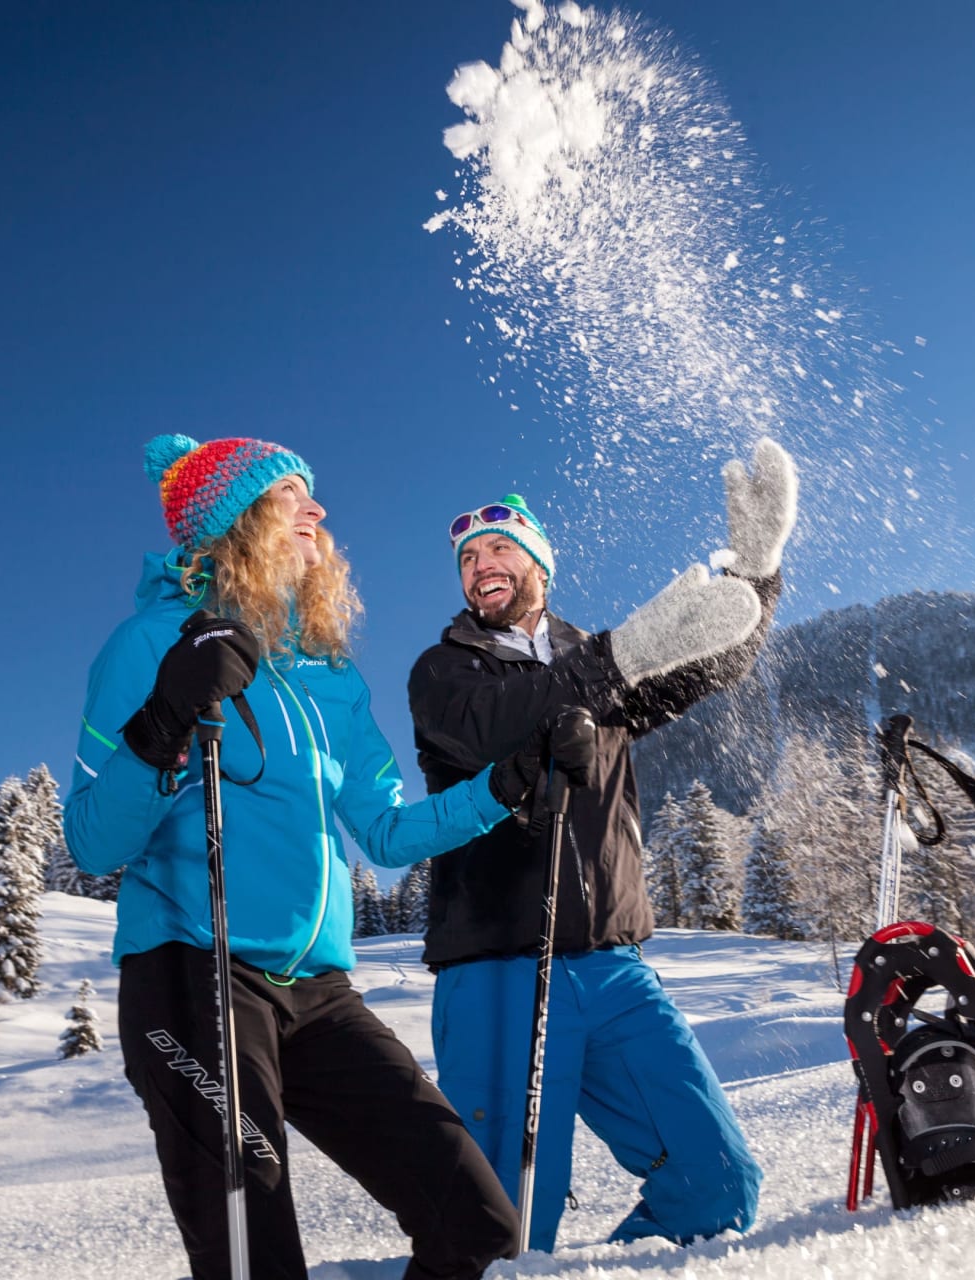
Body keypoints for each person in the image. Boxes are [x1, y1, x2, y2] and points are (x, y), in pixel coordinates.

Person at [64, 432, 596, 1280]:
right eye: (288, 494)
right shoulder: (152, 642)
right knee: (256, 1260)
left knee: (478, 1227)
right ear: (232, 520)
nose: (315, 508)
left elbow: (385, 828)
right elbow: (93, 840)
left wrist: (506, 784)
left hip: (317, 993)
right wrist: (163, 721)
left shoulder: (327, 673)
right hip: (194, 979)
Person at [406, 438, 799, 1250]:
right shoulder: (445, 672)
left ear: (540, 565)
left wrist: (758, 574)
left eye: (499, 548)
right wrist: (619, 657)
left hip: (613, 970)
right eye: (468, 558)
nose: (480, 565)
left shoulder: (600, 662)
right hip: (497, 972)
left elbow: (712, 662)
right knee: (506, 1230)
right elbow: (494, 730)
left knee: (715, 1184)